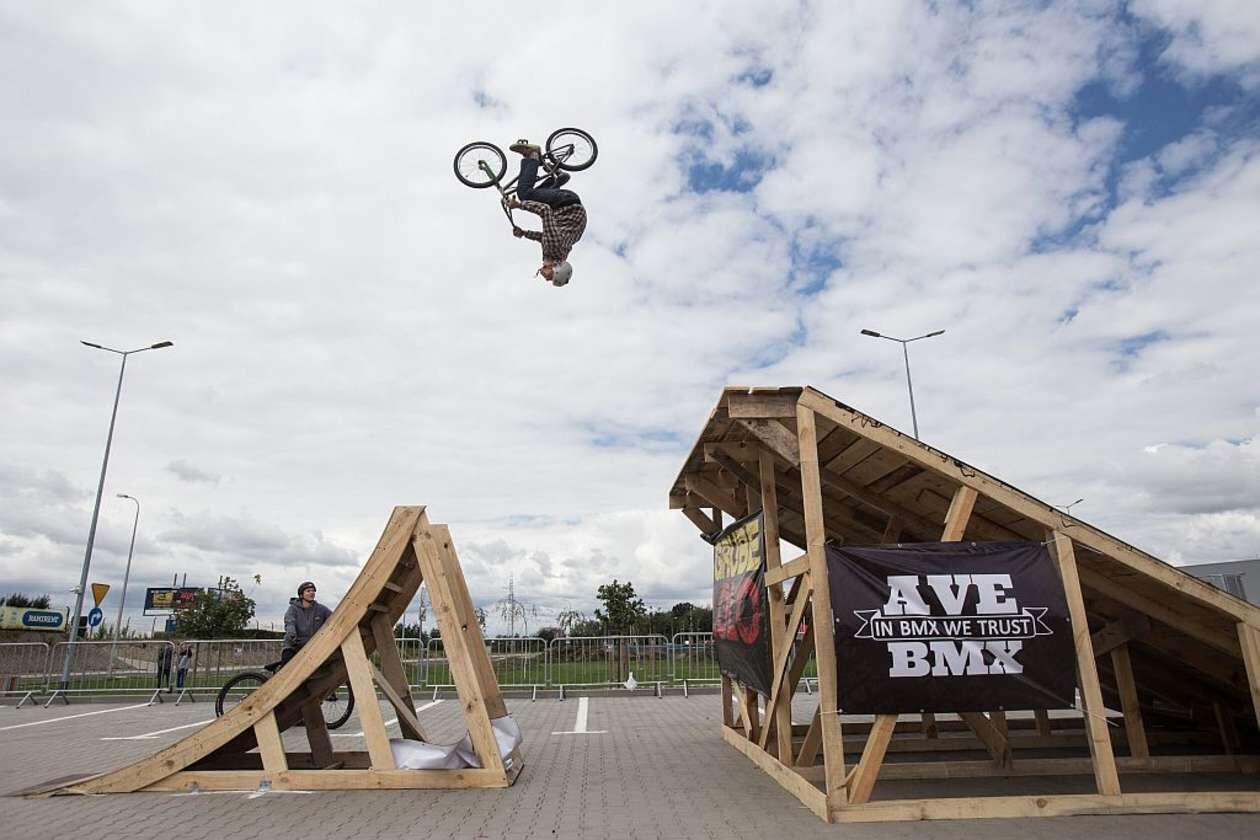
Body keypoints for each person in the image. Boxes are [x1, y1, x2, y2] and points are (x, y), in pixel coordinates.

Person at [505, 139, 587, 287]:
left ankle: (558, 179)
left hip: (567, 206)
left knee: (536, 194)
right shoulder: (554, 247)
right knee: (524, 193)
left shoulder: (556, 253)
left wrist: (524, 233)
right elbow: (545, 210)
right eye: (550, 277)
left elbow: (543, 237)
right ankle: (533, 155)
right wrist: (519, 205)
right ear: (556, 268)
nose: (546, 278)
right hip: (564, 203)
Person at [280, 581, 332, 670]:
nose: (312, 593)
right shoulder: (293, 609)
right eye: (308, 591)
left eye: (313, 591)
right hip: (295, 644)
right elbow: (290, 622)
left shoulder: (321, 609)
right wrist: (291, 633)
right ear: (301, 595)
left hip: (312, 646)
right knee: (287, 665)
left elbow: (334, 618)